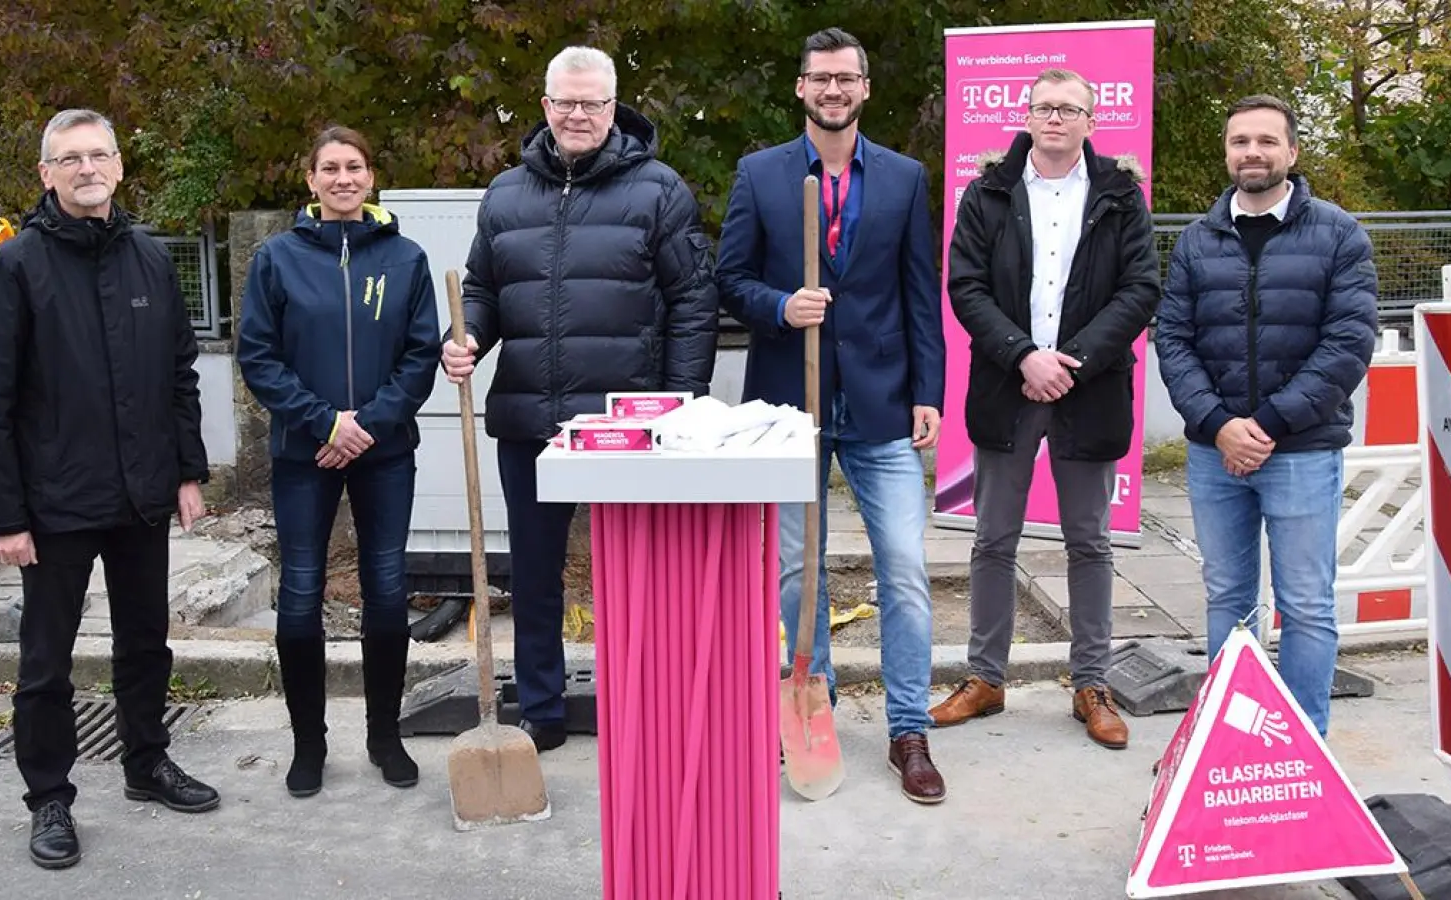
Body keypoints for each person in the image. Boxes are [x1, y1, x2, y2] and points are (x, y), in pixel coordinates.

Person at [440, 46, 718, 753]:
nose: (578, 114)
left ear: (613, 106)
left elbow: (692, 300)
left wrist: (682, 402)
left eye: (592, 102)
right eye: (565, 101)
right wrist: (464, 337)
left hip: (625, 426)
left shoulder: (658, 190)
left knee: (633, 574)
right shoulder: (505, 194)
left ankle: (639, 701)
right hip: (531, 419)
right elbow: (482, 288)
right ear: (545, 106)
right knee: (533, 574)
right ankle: (542, 708)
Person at [0, 108, 220, 870]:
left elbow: (180, 376)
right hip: (54, 506)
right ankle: (49, 797)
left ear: (118, 165)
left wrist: (187, 470)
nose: (86, 168)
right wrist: (5, 517)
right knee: (47, 660)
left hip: (142, 495)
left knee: (146, 644)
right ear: (46, 174)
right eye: (69, 158)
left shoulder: (149, 259)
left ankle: (147, 763)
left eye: (98, 154)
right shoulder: (13, 268)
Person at [716, 27, 947, 804]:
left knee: (906, 574)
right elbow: (730, 279)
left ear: (865, 88)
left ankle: (909, 730)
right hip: (789, 404)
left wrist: (929, 391)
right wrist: (782, 306)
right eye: (821, 79)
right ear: (801, 88)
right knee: (793, 570)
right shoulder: (761, 174)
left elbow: (922, 292)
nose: (834, 91)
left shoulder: (905, 177)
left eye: (846, 78)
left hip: (880, 403)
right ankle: (810, 699)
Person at [933, 68, 1161, 750]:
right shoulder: (988, 192)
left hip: (1088, 390)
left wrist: (1073, 361)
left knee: (1089, 541)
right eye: (1043, 106)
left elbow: (1141, 287)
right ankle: (986, 678)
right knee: (993, 539)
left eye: (1069, 109)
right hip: (1008, 384)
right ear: (1027, 116)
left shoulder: (1122, 197)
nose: (1054, 118)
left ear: (1092, 121)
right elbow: (965, 284)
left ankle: (1091, 682)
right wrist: (1024, 355)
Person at [1156, 94, 1377, 739]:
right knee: (1228, 600)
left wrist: (1270, 426)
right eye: (1240, 142)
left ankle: (1304, 746)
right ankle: (1232, 739)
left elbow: (1348, 344)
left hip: (1302, 451)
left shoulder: (1339, 233)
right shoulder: (1198, 240)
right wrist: (1218, 423)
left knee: (1306, 605)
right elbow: (1173, 339)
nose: (1252, 152)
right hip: (1214, 452)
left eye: (1265, 141)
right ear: (1227, 154)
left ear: (1292, 152)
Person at [237, 126, 443, 796]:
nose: (343, 178)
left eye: (354, 166)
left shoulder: (406, 259)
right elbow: (259, 357)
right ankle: (309, 746)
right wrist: (324, 421)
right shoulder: (277, 259)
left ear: (371, 176)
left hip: (384, 453)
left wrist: (366, 426)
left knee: (386, 592)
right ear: (311, 180)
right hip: (305, 452)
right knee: (300, 596)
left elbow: (419, 360)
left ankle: (385, 736)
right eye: (330, 168)